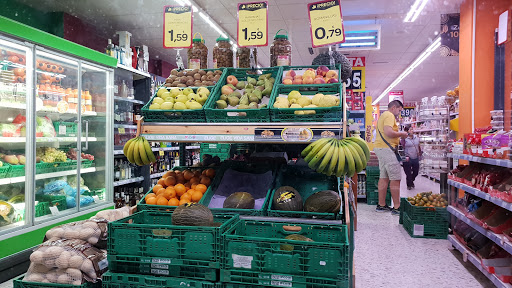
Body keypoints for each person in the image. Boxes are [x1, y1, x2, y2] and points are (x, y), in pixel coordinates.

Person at [374, 100, 408, 215]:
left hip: (381, 148)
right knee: (395, 178)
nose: (399, 112)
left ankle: (381, 204)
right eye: (399, 110)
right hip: (387, 149)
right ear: (394, 107)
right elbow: (388, 132)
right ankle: (397, 207)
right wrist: (401, 134)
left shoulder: (384, 115)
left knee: (384, 177)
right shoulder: (389, 115)